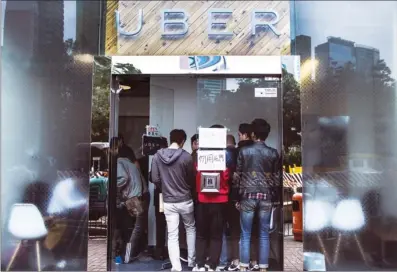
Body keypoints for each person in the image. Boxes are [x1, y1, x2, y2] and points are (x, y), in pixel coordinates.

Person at [235, 119, 280, 272]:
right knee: (264, 234)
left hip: (247, 196)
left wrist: (236, 197)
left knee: (245, 233)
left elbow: (237, 177)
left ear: (253, 134)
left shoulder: (243, 152)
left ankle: (243, 266)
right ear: (266, 135)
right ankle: (263, 267)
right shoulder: (273, 153)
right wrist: (275, 199)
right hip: (266, 197)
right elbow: (276, 179)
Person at [151, 129, 196, 271]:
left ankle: (176, 267)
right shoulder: (187, 157)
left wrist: (165, 188)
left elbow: (155, 178)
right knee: (190, 228)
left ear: (171, 139)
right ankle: (191, 261)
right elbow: (192, 178)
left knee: (172, 234)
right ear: (182, 141)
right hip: (185, 200)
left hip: (168, 201)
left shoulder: (157, 156)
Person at [193, 125, 233, 272]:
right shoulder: (225, 155)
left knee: (201, 234)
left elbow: (196, 175)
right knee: (216, 236)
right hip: (220, 200)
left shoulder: (200, 154)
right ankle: (212, 265)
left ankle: (200, 264)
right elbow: (227, 176)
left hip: (202, 199)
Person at [115, 138, 149, 264]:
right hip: (142, 195)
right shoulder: (129, 163)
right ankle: (134, 252)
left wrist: (112, 186)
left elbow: (122, 178)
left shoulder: (119, 162)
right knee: (137, 227)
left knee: (134, 228)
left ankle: (127, 256)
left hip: (133, 199)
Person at [218, 135, 239, 271]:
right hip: (236, 196)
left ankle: (223, 259)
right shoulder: (240, 153)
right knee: (237, 230)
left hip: (222, 196)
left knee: (221, 230)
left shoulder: (221, 154)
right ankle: (237, 259)